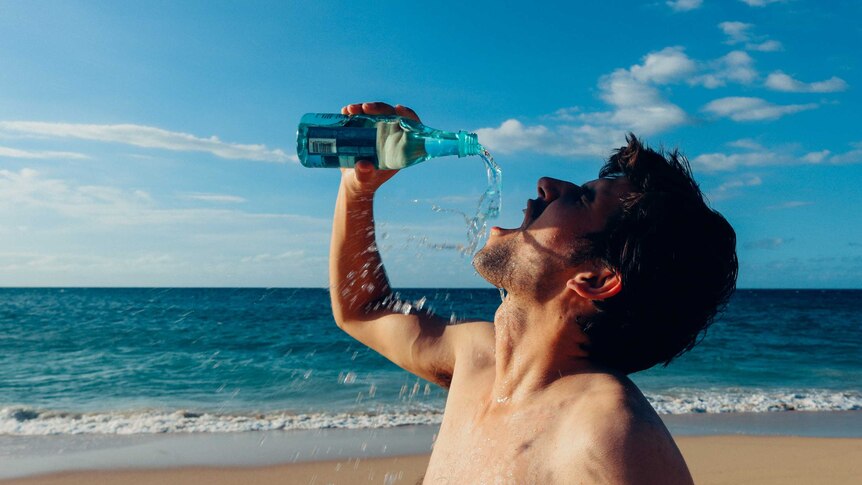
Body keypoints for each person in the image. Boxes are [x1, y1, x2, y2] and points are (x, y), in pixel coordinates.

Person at [330, 102, 737, 484]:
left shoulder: (608, 433)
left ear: (596, 279)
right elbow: (362, 309)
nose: (547, 185)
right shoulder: (477, 358)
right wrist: (357, 189)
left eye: (582, 197)